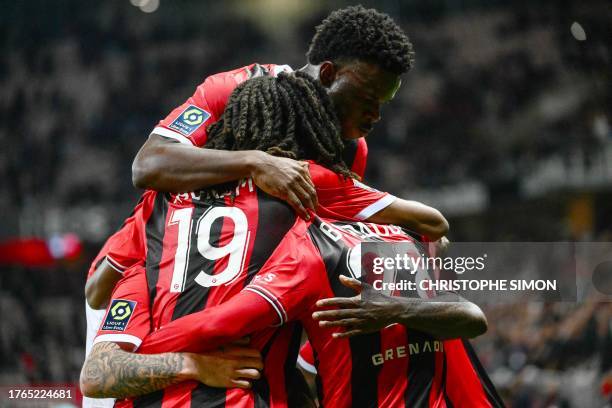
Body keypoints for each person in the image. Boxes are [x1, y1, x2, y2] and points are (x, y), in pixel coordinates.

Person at [81, 72, 484, 407]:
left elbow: (97, 358)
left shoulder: (152, 220)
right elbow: (432, 224)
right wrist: (414, 248)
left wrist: (185, 359)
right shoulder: (302, 193)